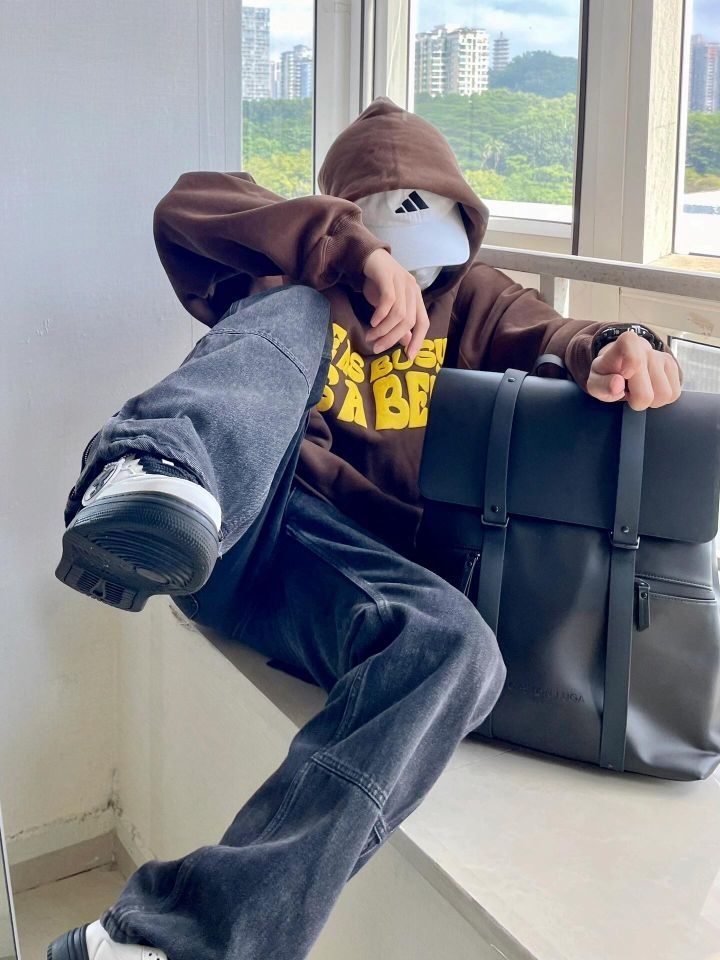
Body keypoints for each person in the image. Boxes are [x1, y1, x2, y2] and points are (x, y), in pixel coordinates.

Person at [49, 97, 683, 960]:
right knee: (290, 308)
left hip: (348, 575)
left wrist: (622, 342)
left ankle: (171, 941)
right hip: (245, 524)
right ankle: (150, 464)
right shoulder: (304, 268)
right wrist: (352, 256)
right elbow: (186, 207)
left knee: (459, 651)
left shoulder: (477, 300)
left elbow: (562, 333)